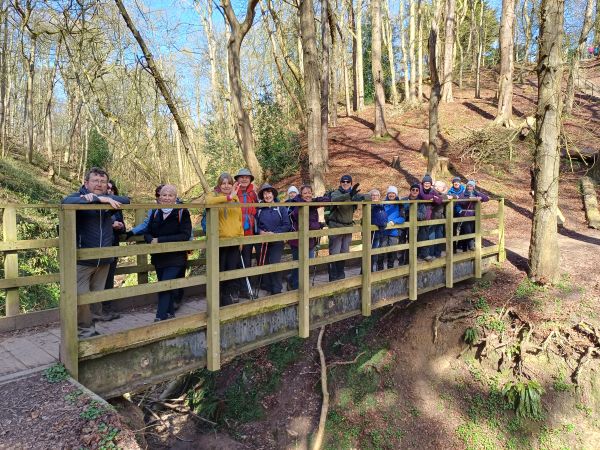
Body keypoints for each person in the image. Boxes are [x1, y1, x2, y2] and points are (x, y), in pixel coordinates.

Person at [62, 167, 130, 337]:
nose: (99, 184)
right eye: (95, 181)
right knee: (81, 298)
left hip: (103, 260)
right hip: (82, 259)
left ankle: (90, 328)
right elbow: (65, 202)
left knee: (95, 299)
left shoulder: (109, 199)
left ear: (107, 184)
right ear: (86, 183)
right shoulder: (78, 198)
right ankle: (84, 332)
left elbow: (126, 199)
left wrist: (102, 199)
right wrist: (96, 199)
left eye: (103, 181)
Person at [144, 185, 192, 321]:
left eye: (170, 195)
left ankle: (160, 316)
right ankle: (170, 313)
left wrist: (159, 240)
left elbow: (185, 235)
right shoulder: (155, 212)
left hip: (176, 257)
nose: (167, 197)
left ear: (175, 197)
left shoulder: (182, 212)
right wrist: (150, 240)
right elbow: (147, 231)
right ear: (159, 197)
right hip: (159, 257)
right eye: (164, 195)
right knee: (165, 284)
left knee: (164, 285)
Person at [206, 173, 244, 306]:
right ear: (219, 185)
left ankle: (227, 296)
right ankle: (218, 298)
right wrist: (228, 197)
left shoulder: (235, 199)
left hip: (234, 241)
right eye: (223, 183)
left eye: (229, 183)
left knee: (231, 269)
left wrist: (241, 239)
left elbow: (239, 220)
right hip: (219, 242)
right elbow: (207, 202)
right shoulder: (214, 196)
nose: (226, 186)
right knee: (219, 270)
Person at [288, 185, 330, 290]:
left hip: (310, 239)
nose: (308, 195)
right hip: (297, 240)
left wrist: (315, 200)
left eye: (309, 192)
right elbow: (305, 224)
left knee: (309, 262)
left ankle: (298, 282)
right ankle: (296, 286)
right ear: (301, 195)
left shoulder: (312, 203)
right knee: (299, 264)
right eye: (305, 193)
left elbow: (328, 200)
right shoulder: (297, 205)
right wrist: (319, 225)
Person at [327, 174, 367, 281]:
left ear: (351, 184)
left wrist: (365, 197)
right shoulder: (336, 193)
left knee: (344, 251)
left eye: (348, 182)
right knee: (335, 251)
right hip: (336, 225)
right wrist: (349, 194)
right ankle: (333, 276)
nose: (345, 183)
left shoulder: (354, 194)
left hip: (348, 226)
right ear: (340, 183)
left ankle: (341, 274)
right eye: (343, 182)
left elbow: (367, 197)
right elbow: (334, 200)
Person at [254, 184, 291, 295]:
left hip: (277, 240)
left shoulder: (281, 207)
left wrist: (275, 233)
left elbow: (286, 224)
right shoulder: (259, 208)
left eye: (269, 193)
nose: (267, 195)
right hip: (263, 240)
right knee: (263, 263)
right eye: (265, 193)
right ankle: (267, 286)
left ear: (273, 194)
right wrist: (260, 232)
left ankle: (276, 288)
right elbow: (255, 224)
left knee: (274, 262)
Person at [100, 180, 126, 321]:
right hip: (99, 247)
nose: (109, 191)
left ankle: (107, 309)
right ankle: (96, 311)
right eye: (107, 188)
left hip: (113, 245)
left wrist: (120, 226)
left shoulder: (117, 207)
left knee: (109, 277)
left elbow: (124, 227)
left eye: (112, 189)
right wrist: (111, 223)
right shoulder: (96, 204)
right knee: (98, 278)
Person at [234, 168, 259, 297]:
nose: (244, 179)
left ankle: (245, 289)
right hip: (235, 231)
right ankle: (235, 289)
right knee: (236, 261)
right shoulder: (233, 192)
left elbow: (258, 209)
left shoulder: (253, 194)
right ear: (237, 179)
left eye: (247, 177)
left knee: (247, 260)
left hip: (249, 231)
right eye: (241, 177)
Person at [455, 180, 489, 252]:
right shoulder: (464, 193)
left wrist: (480, 197)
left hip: (475, 215)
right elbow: (459, 201)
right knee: (468, 230)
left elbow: (486, 198)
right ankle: (471, 245)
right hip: (465, 214)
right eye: (468, 186)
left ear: (473, 187)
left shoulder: (476, 193)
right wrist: (468, 200)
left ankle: (463, 247)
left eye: (471, 186)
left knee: (470, 230)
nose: (469, 187)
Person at [418, 175, 443, 261]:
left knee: (425, 235)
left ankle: (425, 254)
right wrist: (433, 198)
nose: (427, 184)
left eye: (428, 183)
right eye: (425, 182)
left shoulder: (432, 190)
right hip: (419, 214)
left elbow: (439, 200)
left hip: (429, 215)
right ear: (423, 183)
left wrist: (434, 197)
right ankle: (421, 254)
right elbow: (423, 196)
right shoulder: (419, 188)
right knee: (421, 235)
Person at [399, 183, 424, 264]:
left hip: (414, 226)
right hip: (403, 225)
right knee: (401, 242)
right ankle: (400, 261)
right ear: (410, 191)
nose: (415, 191)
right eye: (413, 189)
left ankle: (409, 262)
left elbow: (422, 216)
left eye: (417, 190)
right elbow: (399, 212)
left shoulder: (421, 202)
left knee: (412, 243)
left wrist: (412, 209)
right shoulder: (404, 200)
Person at [383, 186, 406, 269]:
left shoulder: (399, 204)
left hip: (394, 231)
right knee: (381, 249)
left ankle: (390, 267)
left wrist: (394, 221)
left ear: (396, 194)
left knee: (392, 250)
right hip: (384, 231)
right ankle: (380, 268)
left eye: (393, 193)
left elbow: (402, 218)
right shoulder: (383, 203)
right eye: (390, 193)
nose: (391, 195)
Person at [369, 189, 388, 272]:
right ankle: (368, 269)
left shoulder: (382, 206)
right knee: (370, 250)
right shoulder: (369, 205)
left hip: (380, 231)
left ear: (379, 197)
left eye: (376, 195)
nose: (374, 197)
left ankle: (376, 269)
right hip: (371, 231)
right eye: (373, 195)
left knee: (376, 250)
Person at [432, 180, 449, 258]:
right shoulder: (433, 192)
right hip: (433, 216)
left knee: (439, 235)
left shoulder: (442, 194)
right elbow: (437, 198)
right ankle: (431, 253)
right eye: (441, 187)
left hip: (440, 217)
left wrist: (453, 196)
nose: (442, 188)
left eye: (442, 187)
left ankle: (437, 253)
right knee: (432, 235)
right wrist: (446, 196)